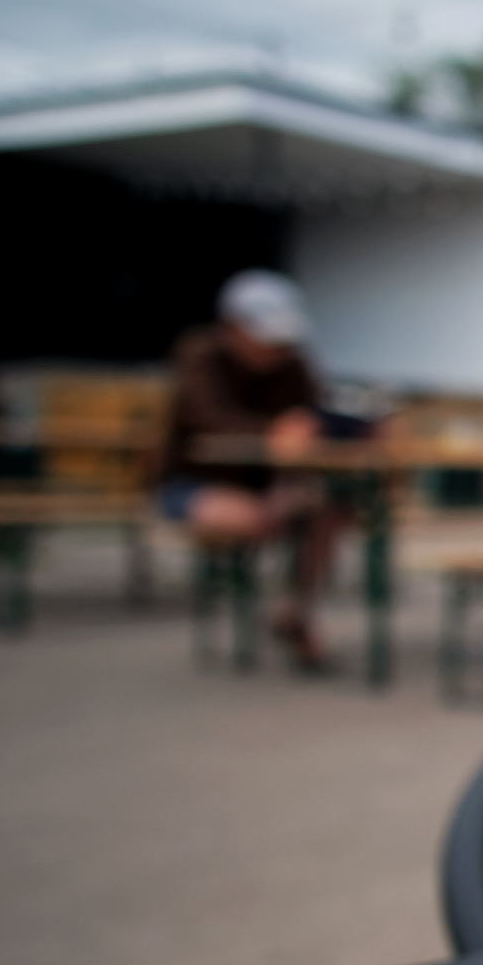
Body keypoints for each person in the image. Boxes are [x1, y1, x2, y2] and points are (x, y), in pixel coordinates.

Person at [158, 270, 342, 670]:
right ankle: (245, 625)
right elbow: (206, 418)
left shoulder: (292, 362)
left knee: (327, 514)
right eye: (264, 338)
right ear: (232, 327)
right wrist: (275, 430)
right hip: (192, 483)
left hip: (265, 484)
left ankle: (294, 613)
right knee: (258, 518)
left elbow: (316, 413)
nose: (274, 349)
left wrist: (349, 426)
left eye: (281, 340)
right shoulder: (200, 355)